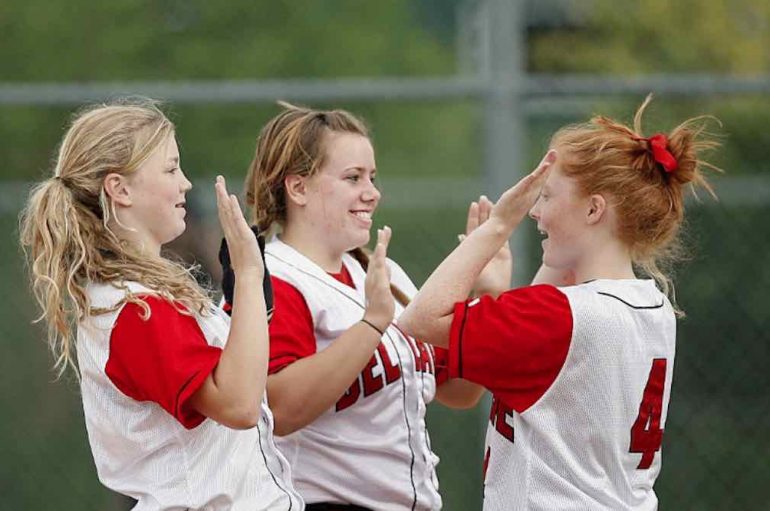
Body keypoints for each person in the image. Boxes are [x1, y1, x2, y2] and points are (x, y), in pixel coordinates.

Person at [398, 96, 718, 510]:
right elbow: (546, 347)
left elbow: (419, 319)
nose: (534, 211)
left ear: (593, 209)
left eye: (546, 196)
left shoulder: (561, 317)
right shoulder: (649, 305)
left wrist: (496, 227)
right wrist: (495, 295)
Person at [19, 99, 303, 510]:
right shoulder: (135, 308)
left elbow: (216, 377)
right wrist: (249, 277)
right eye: (171, 169)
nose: (185, 183)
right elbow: (238, 405)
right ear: (120, 189)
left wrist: (245, 304)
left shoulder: (144, 299)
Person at [221, 103, 485, 510]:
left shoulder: (381, 273)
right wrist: (371, 326)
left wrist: (486, 296)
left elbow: (459, 390)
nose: (372, 192)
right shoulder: (273, 277)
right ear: (298, 188)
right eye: (353, 178)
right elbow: (278, 409)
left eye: (372, 177)